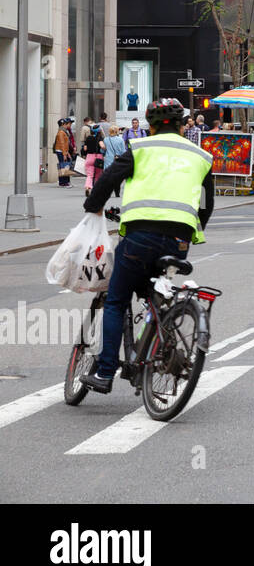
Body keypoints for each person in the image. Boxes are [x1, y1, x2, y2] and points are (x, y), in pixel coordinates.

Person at [78, 98, 215, 394]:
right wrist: (194, 229)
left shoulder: (140, 149)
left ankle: (104, 373)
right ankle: (159, 336)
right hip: (179, 242)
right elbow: (206, 206)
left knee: (115, 300)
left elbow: (108, 180)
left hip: (139, 237)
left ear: (151, 126)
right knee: (154, 290)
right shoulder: (201, 156)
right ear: (182, 125)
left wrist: (93, 206)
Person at [81, 120, 104, 194]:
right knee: (98, 174)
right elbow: (102, 146)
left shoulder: (88, 138)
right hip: (98, 157)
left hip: (89, 157)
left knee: (89, 175)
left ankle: (88, 187)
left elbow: (85, 148)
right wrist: (105, 149)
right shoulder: (100, 138)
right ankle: (96, 189)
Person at [53, 117, 75, 187]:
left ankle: (64, 182)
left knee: (64, 166)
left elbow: (65, 144)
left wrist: (67, 153)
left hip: (62, 151)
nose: (67, 125)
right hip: (61, 151)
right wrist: (64, 154)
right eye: (66, 124)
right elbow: (62, 144)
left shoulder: (63, 131)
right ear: (62, 124)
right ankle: (64, 182)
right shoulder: (61, 132)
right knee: (64, 166)